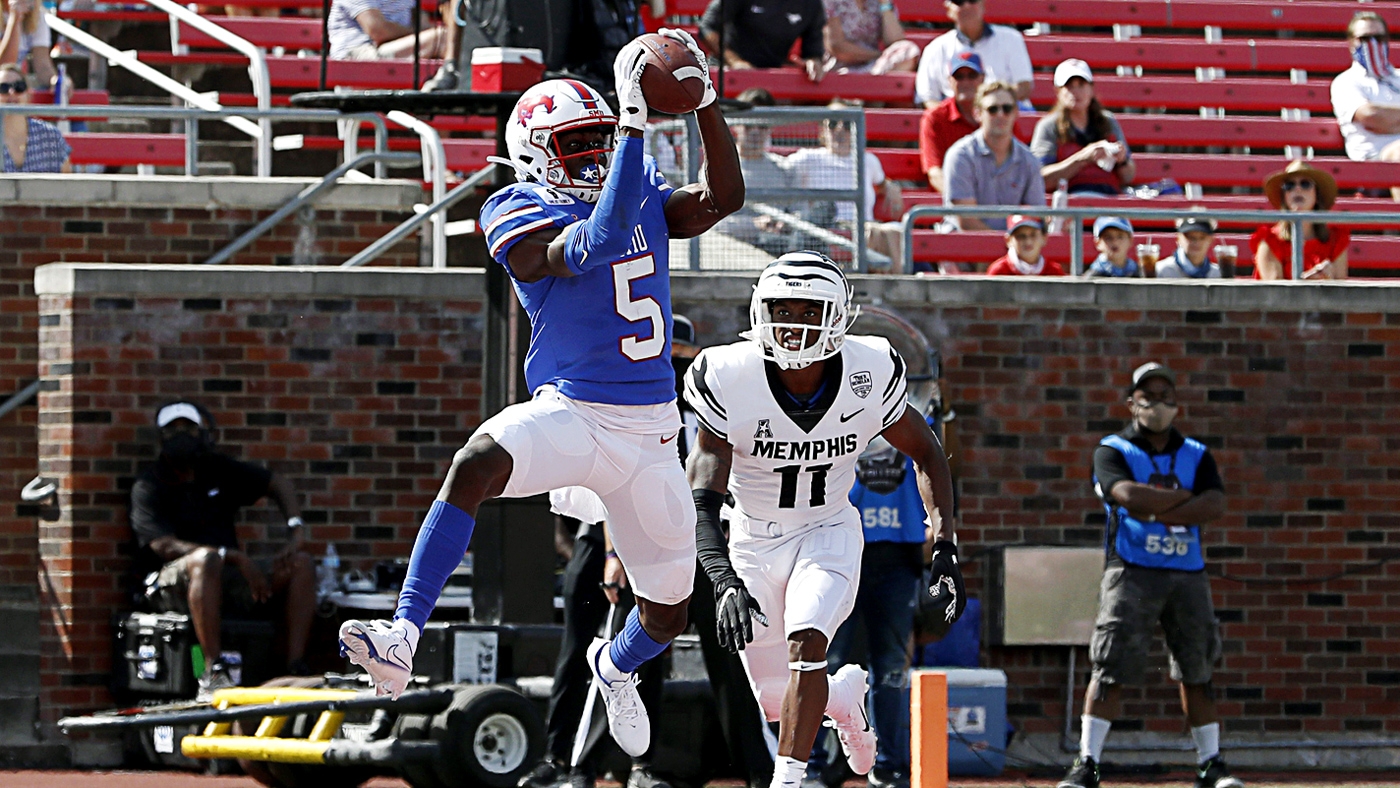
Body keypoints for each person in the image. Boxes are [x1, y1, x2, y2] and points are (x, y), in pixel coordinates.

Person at [338, 32, 743, 764]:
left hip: (653, 434)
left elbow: (725, 197)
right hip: (575, 412)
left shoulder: (637, 180)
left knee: (668, 612)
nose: (592, 154)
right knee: (477, 462)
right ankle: (402, 632)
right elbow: (596, 240)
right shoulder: (511, 206)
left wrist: (706, 103)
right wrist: (629, 121)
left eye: (597, 139)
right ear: (531, 152)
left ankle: (614, 666)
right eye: (574, 143)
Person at [684, 253, 963, 788]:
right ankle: (842, 700)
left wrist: (945, 546)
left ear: (837, 315)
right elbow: (702, 495)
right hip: (751, 539)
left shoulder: (870, 369)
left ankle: (787, 779)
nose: (793, 324)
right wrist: (721, 580)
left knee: (807, 643)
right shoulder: (728, 373)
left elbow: (927, 453)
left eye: (808, 309)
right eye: (781, 309)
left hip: (826, 530)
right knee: (773, 698)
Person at [1058, 362, 1243, 788]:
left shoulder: (1197, 453)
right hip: (1132, 571)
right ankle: (1087, 763)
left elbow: (1215, 505)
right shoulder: (1113, 450)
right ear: (1131, 402)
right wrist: (1181, 501)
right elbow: (1124, 494)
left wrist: (1152, 507)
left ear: (1177, 404)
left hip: (1187, 572)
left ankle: (1211, 763)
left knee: (1197, 667)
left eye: (1164, 395)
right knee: (1110, 666)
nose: (1156, 403)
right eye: (1147, 395)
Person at [129, 401, 314, 699]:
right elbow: (163, 545)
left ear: (202, 434)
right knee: (206, 560)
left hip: (229, 578)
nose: (181, 436)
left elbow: (277, 483)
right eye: (172, 431)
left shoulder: (217, 469)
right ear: (160, 438)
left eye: (188, 429)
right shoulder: (149, 485)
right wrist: (234, 556)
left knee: (301, 563)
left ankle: (293, 666)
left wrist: (296, 530)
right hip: (171, 585)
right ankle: (210, 671)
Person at [803, 432, 937, 788]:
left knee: (891, 669)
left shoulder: (914, 415)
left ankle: (889, 765)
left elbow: (940, 465)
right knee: (824, 663)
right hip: (840, 551)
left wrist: (937, 527)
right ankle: (813, 763)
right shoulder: (834, 409)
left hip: (898, 558)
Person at [520, 487, 672, 788]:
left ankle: (632, 766)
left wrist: (615, 552)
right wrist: (606, 551)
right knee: (574, 653)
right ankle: (556, 758)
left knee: (634, 656)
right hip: (596, 538)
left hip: (640, 541)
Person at [782, 100, 905, 271]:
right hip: (823, 230)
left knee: (894, 232)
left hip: (863, 227)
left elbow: (883, 183)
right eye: (833, 123)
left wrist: (892, 187)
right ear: (823, 130)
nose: (840, 130)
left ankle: (895, 290)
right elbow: (777, 173)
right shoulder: (806, 158)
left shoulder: (867, 160)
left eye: (847, 124)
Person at [942, 81, 1046, 231]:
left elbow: (1036, 216)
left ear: (1016, 112)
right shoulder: (960, 156)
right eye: (992, 109)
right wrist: (1006, 245)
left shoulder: (1029, 160)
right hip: (962, 246)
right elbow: (967, 222)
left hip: (1013, 246)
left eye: (1007, 108)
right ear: (977, 113)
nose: (1000, 115)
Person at [1031, 59, 1135, 196]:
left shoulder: (1107, 122)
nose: (1076, 92)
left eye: (1081, 84)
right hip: (1068, 202)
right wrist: (1082, 158)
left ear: (1091, 89)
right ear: (1057, 91)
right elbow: (1039, 180)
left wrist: (1122, 160)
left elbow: (1128, 177)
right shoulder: (1049, 126)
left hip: (1109, 201)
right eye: (1069, 86)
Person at [1329, 11, 1400, 200]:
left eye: (1379, 37)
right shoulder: (1346, 82)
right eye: (1365, 38)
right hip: (1372, 166)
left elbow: (1379, 118)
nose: (1373, 43)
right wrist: (1380, 118)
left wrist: (1389, 119)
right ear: (1352, 42)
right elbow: (1371, 117)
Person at [720, 88, 797, 257]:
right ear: (735, 126)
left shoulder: (783, 168)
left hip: (777, 252)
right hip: (731, 254)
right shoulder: (717, 168)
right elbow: (711, 226)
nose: (755, 131)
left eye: (762, 125)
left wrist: (785, 223)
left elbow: (797, 213)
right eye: (748, 125)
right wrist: (754, 225)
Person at [914, 0, 1032, 108]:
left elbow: (1024, 87)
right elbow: (927, 98)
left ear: (983, 5)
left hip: (1004, 112)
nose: (967, 6)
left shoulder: (1011, 38)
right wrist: (955, 117)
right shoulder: (935, 48)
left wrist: (990, 109)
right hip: (955, 120)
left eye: (972, 0)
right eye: (959, 1)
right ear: (948, 9)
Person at [1250, 160, 1350, 281]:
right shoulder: (1270, 240)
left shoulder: (1336, 239)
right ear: (1284, 197)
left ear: (1317, 195)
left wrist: (1329, 278)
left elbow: (1341, 292)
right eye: (1289, 185)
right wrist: (1307, 281)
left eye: (1305, 184)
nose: (1297, 189)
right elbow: (1275, 294)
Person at [700, 0, 828, 83]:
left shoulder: (812, 4)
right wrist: (735, 61)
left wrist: (813, 62)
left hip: (773, 80)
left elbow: (813, 50)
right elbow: (707, 27)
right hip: (728, 75)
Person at [918, 50, 983, 193]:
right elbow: (935, 173)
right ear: (950, 81)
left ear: (982, 78)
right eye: (959, 76)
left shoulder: (998, 111)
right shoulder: (935, 118)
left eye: (972, 76)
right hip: (950, 206)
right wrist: (963, 203)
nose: (965, 82)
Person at [0, 63, 68, 173]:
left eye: (19, 87)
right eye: (3, 88)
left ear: (28, 94)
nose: (11, 92)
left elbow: (68, 185)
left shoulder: (50, 136)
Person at [822, 0, 920, 75]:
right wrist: (879, 56)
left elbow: (895, 41)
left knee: (908, 50)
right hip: (838, 70)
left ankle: (873, 96)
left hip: (875, 67)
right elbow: (837, 47)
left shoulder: (875, 3)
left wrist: (884, 4)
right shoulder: (831, 2)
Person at [327, 0, 449, 60]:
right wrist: (422, 34)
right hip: (356, 55)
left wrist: (423, 33)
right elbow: (378, 30)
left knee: (441, 40)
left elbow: (422, 23)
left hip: (390, 49)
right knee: (441, 38)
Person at [0, 0, 55, 87]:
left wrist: (55, 81)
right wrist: (15, 19)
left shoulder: (37, 17)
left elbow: (42, 65)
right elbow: (5, 65)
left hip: (15, 88)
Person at [986, 215, 1063, 276]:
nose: (1028, 242)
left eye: (1033, 235)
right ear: (1008, 240)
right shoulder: (999, 271)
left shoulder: (1054, 271)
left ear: (1044, 238)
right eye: (1020, 236)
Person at [1157, 215, 1221, 279]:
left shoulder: (1218, 274)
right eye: (1190, 237)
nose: (1196, 242)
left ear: (1211, 240)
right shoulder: (1161, 271)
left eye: (1202, 237)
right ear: (1178, 238)